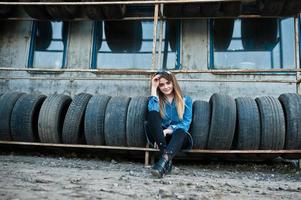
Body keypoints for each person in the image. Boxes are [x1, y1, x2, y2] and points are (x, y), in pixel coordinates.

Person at [146, 71, 193, 178]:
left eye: (168, 83)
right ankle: (166, 162)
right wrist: (153, 88)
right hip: (160, 138)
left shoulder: (186, 100)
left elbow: (185, 123)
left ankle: (163, 160)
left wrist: (168, 130)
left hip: (178, 138)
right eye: (161, 84)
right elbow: (152, 113)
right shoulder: (157, 100)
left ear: (173, 83)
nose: (165, 87)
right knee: (152, 114)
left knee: (181, 131)